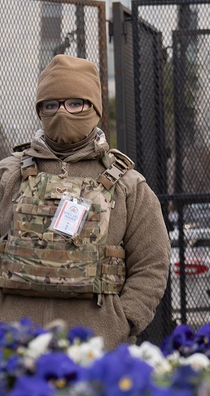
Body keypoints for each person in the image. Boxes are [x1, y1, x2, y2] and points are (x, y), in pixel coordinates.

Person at [0, 54, 170, 347]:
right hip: (14, 346)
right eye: (51, 105)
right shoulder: (8, 176)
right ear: (39, 110)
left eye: (75, 103)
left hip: (97, 348)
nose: (62, 113)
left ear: (94, 108)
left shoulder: (128, 185)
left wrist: (123, 321)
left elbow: (152, 263)